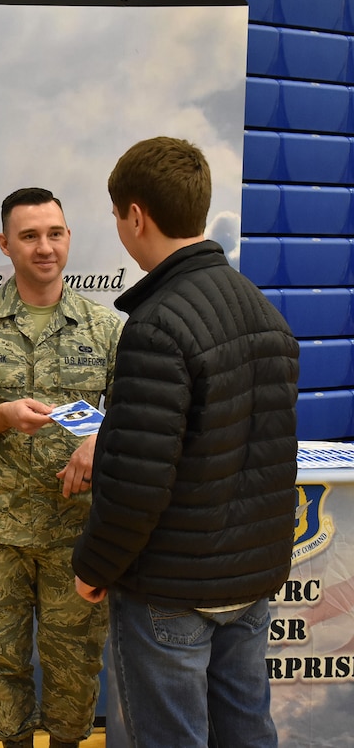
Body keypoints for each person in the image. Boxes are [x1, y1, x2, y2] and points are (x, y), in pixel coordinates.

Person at [72, 136, 300, 748]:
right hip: (249, 582)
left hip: (171, 591)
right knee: (247, 730)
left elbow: (139, 481)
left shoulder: (157, 327)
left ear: (136, 215)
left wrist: (94, 567)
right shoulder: (264, 312)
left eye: (117, 216)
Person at [0, 187, 123, 748]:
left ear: (69, 238)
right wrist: (0, 417)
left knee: (75, 664)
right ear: (5, 244)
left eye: (54, 233)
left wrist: (99, 442)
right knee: (1, 659)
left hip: (78, 532)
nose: (44, 247)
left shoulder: (105, 329)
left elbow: (140, 415)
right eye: (30, 236)